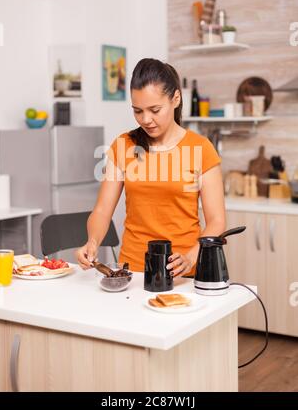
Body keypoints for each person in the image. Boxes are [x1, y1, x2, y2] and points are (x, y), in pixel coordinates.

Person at [76, 58, 225, 277]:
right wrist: (93, 241)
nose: (146, 120)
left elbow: (217, 220)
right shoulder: (124, 145)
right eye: (138, 111)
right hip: (134, 272)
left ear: (175, 98)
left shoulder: (201, 148)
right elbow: (101, 211)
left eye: (155, 109)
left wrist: (192, 256)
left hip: (184, 272)